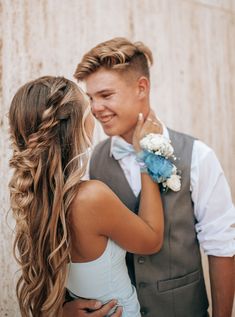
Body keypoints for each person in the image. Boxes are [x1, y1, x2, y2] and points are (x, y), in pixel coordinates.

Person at [63, 37, 235, 317]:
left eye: (105, 95)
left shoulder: (198, 155)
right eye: (91, 98)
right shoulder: (96, 159)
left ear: (141, 88)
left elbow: (222, 247)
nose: (95, 108)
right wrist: (63, 305)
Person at [8, 76, 165, 317]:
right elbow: (152, 240)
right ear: (75, 127)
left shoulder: (30, 198)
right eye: (87, 107)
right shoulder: (90, 197)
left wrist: (61, 312)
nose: (95, 112)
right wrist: (146, 155)